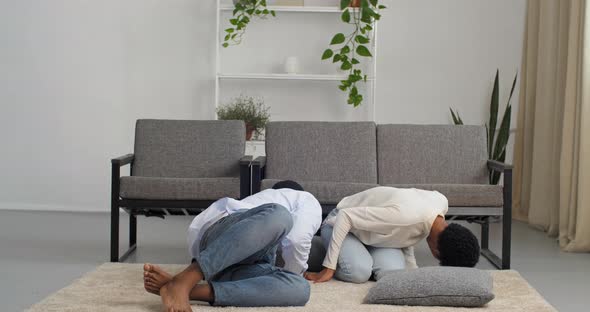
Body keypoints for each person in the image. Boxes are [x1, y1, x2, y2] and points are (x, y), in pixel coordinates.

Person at [142, 180, 322, 311]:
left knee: (301, 289)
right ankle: (185, 280)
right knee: (281, 216)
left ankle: (191, 290)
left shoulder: (253, 199)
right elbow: (297, 240)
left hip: (224, 262)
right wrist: (292, 272)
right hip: (223, 235)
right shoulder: (304, 198)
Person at [305, 186, 480, 284]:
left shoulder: (441, 203)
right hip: (343, 224)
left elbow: (407, 235)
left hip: (379, 236)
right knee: (359, 273)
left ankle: (356, 256)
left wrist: (413, 274)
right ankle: (314, 248)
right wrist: (328, 268)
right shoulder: (406, 218)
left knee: (393, 275)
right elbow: (346, 217)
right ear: (437, 252)